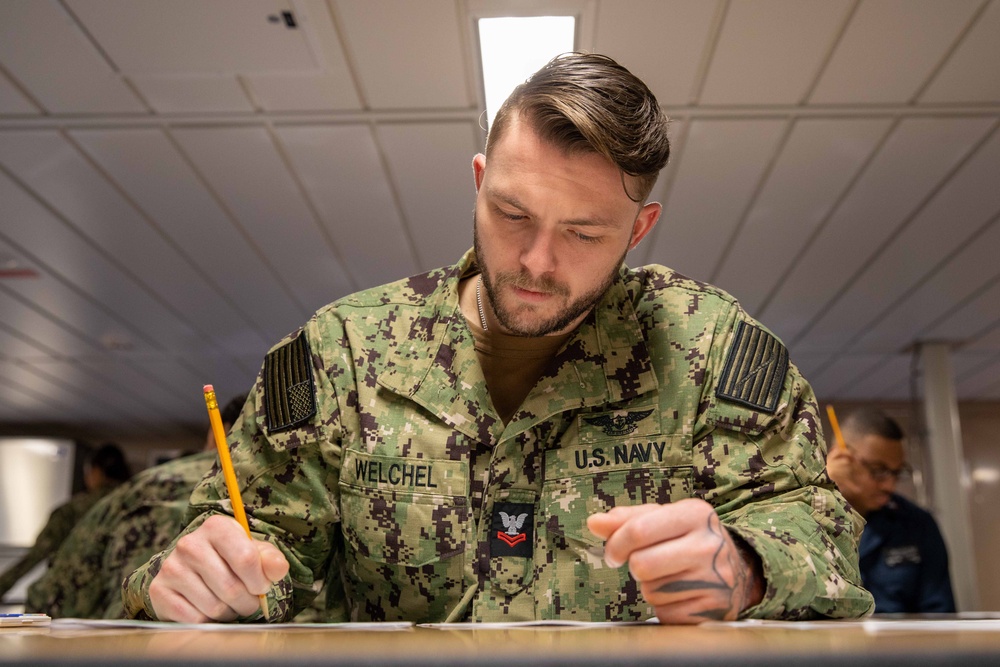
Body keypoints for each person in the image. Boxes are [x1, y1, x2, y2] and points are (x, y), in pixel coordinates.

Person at [122, 53, 873, 625]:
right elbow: (257, 546)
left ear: (639, 229)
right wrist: (201, 580)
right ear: (479, 181)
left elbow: (821, 535)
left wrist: (747, 565)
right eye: (512, 214)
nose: (537, 262)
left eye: (582, 232)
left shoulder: (707, 352)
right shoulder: (343, 352)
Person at [24, 394, 248, 618]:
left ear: (217, 431)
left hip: (118, 639)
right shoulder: (273, 494)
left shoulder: (149, 485)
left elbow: (58, 590)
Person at [826, 407, 956, 613]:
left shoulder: (916, 524)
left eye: (896, 472)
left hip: (901, 643)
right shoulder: (801, 517)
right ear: (840, 458)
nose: (889, 485)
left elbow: (940, 613)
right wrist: (823, 488)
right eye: (878, 471)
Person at [0, 442, 131, 600]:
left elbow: (35, 557)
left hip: (79, 601)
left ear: (96, 472)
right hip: (130, 600)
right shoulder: (142, 506)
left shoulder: (74, 509)